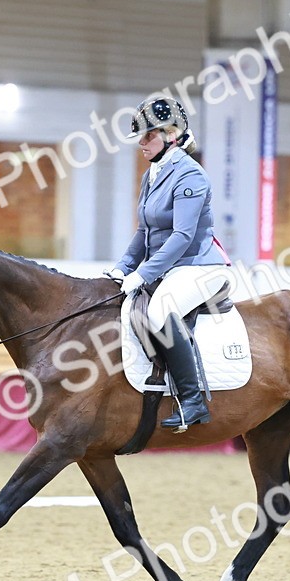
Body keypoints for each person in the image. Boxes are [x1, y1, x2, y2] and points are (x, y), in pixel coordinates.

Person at [106, 96, 230, 432]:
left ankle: (192, 402)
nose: (142, 143)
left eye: (149, 136)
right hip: (172, 267)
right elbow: (144, 232)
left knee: (160, 311)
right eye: (142, 137)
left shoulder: (191, 176)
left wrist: (143, 273)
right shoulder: (152, 175)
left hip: (199, 266)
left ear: (171, 135)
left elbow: (182, 236)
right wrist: (121, 268)